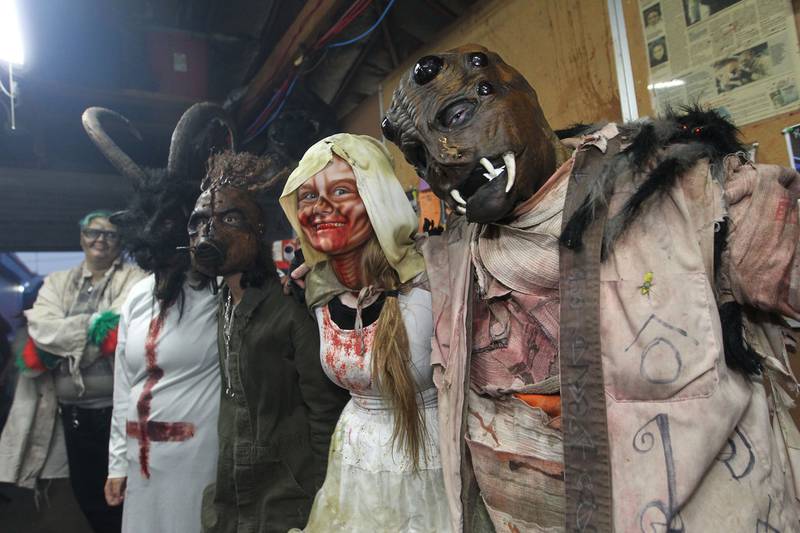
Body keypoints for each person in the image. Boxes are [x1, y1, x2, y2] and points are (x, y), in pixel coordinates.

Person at [382, 45, 800, 531]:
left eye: (456, 116)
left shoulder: (688, 195)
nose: (441, 158)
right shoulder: (453, 258)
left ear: (518, 94)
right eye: (418, 154)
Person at [279, 134, 451, 532]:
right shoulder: (316, 292)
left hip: (427, 462)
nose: (321, 209)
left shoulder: (435, 277)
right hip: (353, 463)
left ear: (378, 197)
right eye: (307, 197)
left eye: (341, 190)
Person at [82, 102, 235, 533]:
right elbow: (123, 388)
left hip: (199, 464)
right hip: (141, 463)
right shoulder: (134, 296)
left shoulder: (219, 290)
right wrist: (117, 464)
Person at [188, 150, 349, 533]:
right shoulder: (223, 303)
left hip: (286, 501)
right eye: (197, 223)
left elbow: (325, 412)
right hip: (234, 496)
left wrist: (326, 498)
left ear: (257, 229)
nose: (207, 234)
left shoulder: (289, 309)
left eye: (229, 218)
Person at [0, 211, 145, 533]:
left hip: (121, 414)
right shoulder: (57, 283)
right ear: (81, 237)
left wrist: (61, 339)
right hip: (73, 415)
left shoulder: (136, 280)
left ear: (119, 242)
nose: (100, 240)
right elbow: (41, 332)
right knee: (88, 494)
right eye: (94, 232)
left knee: (128, 492)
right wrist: (95, 326)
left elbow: (121, 328)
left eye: (109, 235)